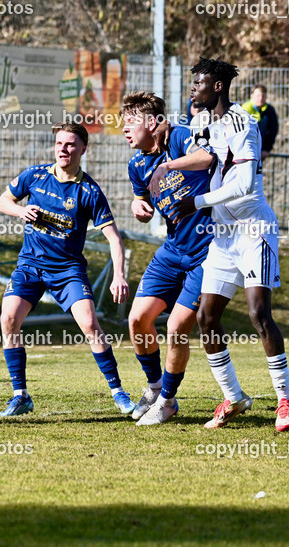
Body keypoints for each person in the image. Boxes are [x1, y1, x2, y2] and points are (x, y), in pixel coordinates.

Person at [151, 58, 286, 431]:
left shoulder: (244, 123)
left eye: (200, 83)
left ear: (219, 87)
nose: (194, 88)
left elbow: (242, 185)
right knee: (207, 317)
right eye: (193, 82)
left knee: (259, 314)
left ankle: (284, 400)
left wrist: (194, 202)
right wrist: (165, 147)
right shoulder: (202, 123)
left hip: (253, 229)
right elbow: (200, 153)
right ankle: (233, 397)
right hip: (223, 236)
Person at [0, 122, 133, 417]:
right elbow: (3, 201)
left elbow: (113, 237)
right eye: (59, 144)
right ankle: (20, 395)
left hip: (67, 269)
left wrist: (119, 275)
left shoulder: (89, 191)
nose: (64, 150)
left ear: (83, 149)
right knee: (8, 319)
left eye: (71, 145)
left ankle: (119, 392)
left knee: (89, 324)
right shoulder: (34, 175)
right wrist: (21, 210)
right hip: (30, 265)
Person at [121, 92, 212, 425]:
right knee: (137, 320)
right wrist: (137, 206)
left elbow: (206, 158)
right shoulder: (136, 164)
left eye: (130, 123)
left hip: (207, 251)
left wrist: (169, 165)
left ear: (152, 122)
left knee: (176, 329)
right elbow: (141, 197)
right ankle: (155, 387)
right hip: (173, 250)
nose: (125, 131)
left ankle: (169, 402)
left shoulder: (178, 137)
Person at [242, 84, 278, 161]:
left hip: (261, 150)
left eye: (263, 96)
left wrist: (266, 149)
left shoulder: (269, 110)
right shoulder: (245, 108)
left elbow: (273, 130)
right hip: (245, 149)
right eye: (258, 96)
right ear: (252, 96)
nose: (260, 98)